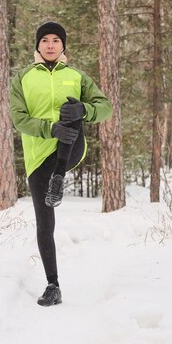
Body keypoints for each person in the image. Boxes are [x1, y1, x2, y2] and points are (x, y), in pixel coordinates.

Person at [10, 21, 113, 306]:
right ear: (38, 45)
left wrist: (85, 108)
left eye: (56, 40)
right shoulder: (23, 77)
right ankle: (52, 285)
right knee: (45, 222)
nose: (51, 44)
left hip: (71, 147)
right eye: (45, 40)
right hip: (39, 155)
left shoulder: (77, 76)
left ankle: (59, 175)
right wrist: (49, 129)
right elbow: (19, 119)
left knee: (72, 108)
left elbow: (105, 108)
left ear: (63, 45)